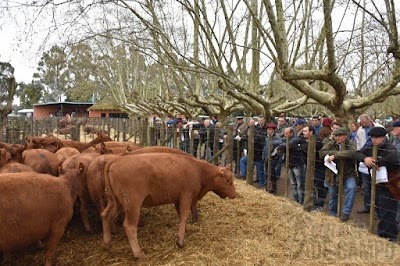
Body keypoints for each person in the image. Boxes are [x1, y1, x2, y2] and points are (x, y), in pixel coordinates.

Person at [354, 127, 399, 241]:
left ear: (383, 137)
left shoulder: (390, 148)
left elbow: (392, 158)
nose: (374, 140)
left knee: (387, 209)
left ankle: (387, 236)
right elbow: (357, 153)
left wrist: (376, 161)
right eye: (372, 137)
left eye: (376, 137)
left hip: (390, 184)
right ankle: (387, 232)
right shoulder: (371, 147)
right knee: (380, 208)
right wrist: (365, 159)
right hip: (376, 183)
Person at [320, 127, 357, 222]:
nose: (337, 138)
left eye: (339, 136)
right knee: (333, 195)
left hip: (348, 173)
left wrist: (335, 156)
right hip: (333, 174)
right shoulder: (331, 144)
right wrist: (334, 152)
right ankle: (332, 214)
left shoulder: (351, 144)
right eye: (336, 136)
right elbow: (322, 153)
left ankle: (346, 212)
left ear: (345, 136)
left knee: (351, 188)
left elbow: (352, 153)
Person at [356, 114, 384, 214]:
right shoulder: (360, 130)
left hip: (378, 162)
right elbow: (358, 144)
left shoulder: (380, 128)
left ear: (369, 120)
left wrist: (378, 160)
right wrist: (363, 158)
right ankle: (367, 206)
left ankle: (378, 209)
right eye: (362, 123)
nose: (364, 124)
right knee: (366, 186)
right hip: (365, 160)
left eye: (365, 123)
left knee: (378, 187)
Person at [299, 125, 327, 210]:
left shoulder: (317, 141)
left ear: (311, 132)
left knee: (319, 185)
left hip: (318, 167)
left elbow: (303, 148)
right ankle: (312, 203)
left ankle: (320, 205)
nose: (303, 133)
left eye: (305, 131)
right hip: (309, 167)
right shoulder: (303, 140)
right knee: (311, 185)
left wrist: (301, 146)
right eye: (303, 131)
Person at [278, 127, 306, 204]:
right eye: (284, 133)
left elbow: (287, 144)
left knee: (299, 184)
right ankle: (295, 199)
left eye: (287, 133)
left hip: (297, 164)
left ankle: (301, 201)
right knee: (293, 184)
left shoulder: (296, 140)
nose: (285, 135)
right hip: (290, 164)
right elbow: (277, 142)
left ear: (291, 133)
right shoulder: (286, 139)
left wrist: (282, 145)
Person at [239, 116, 268, 187]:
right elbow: (247, 136)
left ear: (264, 120)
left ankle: (262, 184)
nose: (260, 122)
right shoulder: (255, 128)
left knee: (260, 169)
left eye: (261, 120)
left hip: (259, 153)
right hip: (251, 152)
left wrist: (251, 138)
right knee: (243, 161)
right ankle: (244, 176)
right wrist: (243, 138)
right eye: (259, 120)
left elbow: (260, 139)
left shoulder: (265, 129)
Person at [389, 121, 400, 232]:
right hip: (395, 172)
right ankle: (396, 220)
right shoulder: (393, 139)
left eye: (396, 128)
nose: (394, 130)